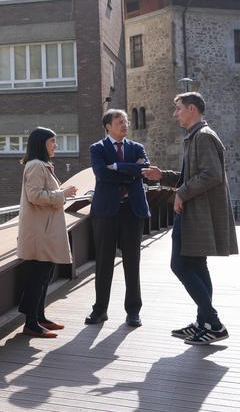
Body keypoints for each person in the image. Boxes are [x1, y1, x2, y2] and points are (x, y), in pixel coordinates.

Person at [142, 92, 238, 345]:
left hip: (196, 214)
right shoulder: (197, 136)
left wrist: (181, 193)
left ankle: (213, 323)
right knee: (196, 266)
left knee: (181, 266)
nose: (175, 114)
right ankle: (203, 322)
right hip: (195, 212)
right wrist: (162, 176)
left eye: (178, 109)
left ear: (192, 109)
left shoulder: (204, 137)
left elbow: (212, 175)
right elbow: (192, 176)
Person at [85, 109, 151, 328]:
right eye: (119, 121)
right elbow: (101, 174)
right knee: (104, 263)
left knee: (133, 262)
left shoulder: (136, 147)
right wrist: (130, 171)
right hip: (105, 212)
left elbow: (144, 170)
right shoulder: (97, 149)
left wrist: (117, 167)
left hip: (132, 211)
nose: (125, 124)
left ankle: (134, 311)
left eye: (126, 121)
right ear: (108, 126)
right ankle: (100, 310)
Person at [16, 127, 79, 338]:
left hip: (44, 230)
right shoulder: (35, 166)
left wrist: (60, 194)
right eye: (52, 141)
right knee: (38, 276)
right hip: (40, 232)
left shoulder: (41, 165)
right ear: (42, 143)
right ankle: (31, 323)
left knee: (44, 275)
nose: (56, 145)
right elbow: (34, 195)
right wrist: (63, 193)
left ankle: (39, 317)